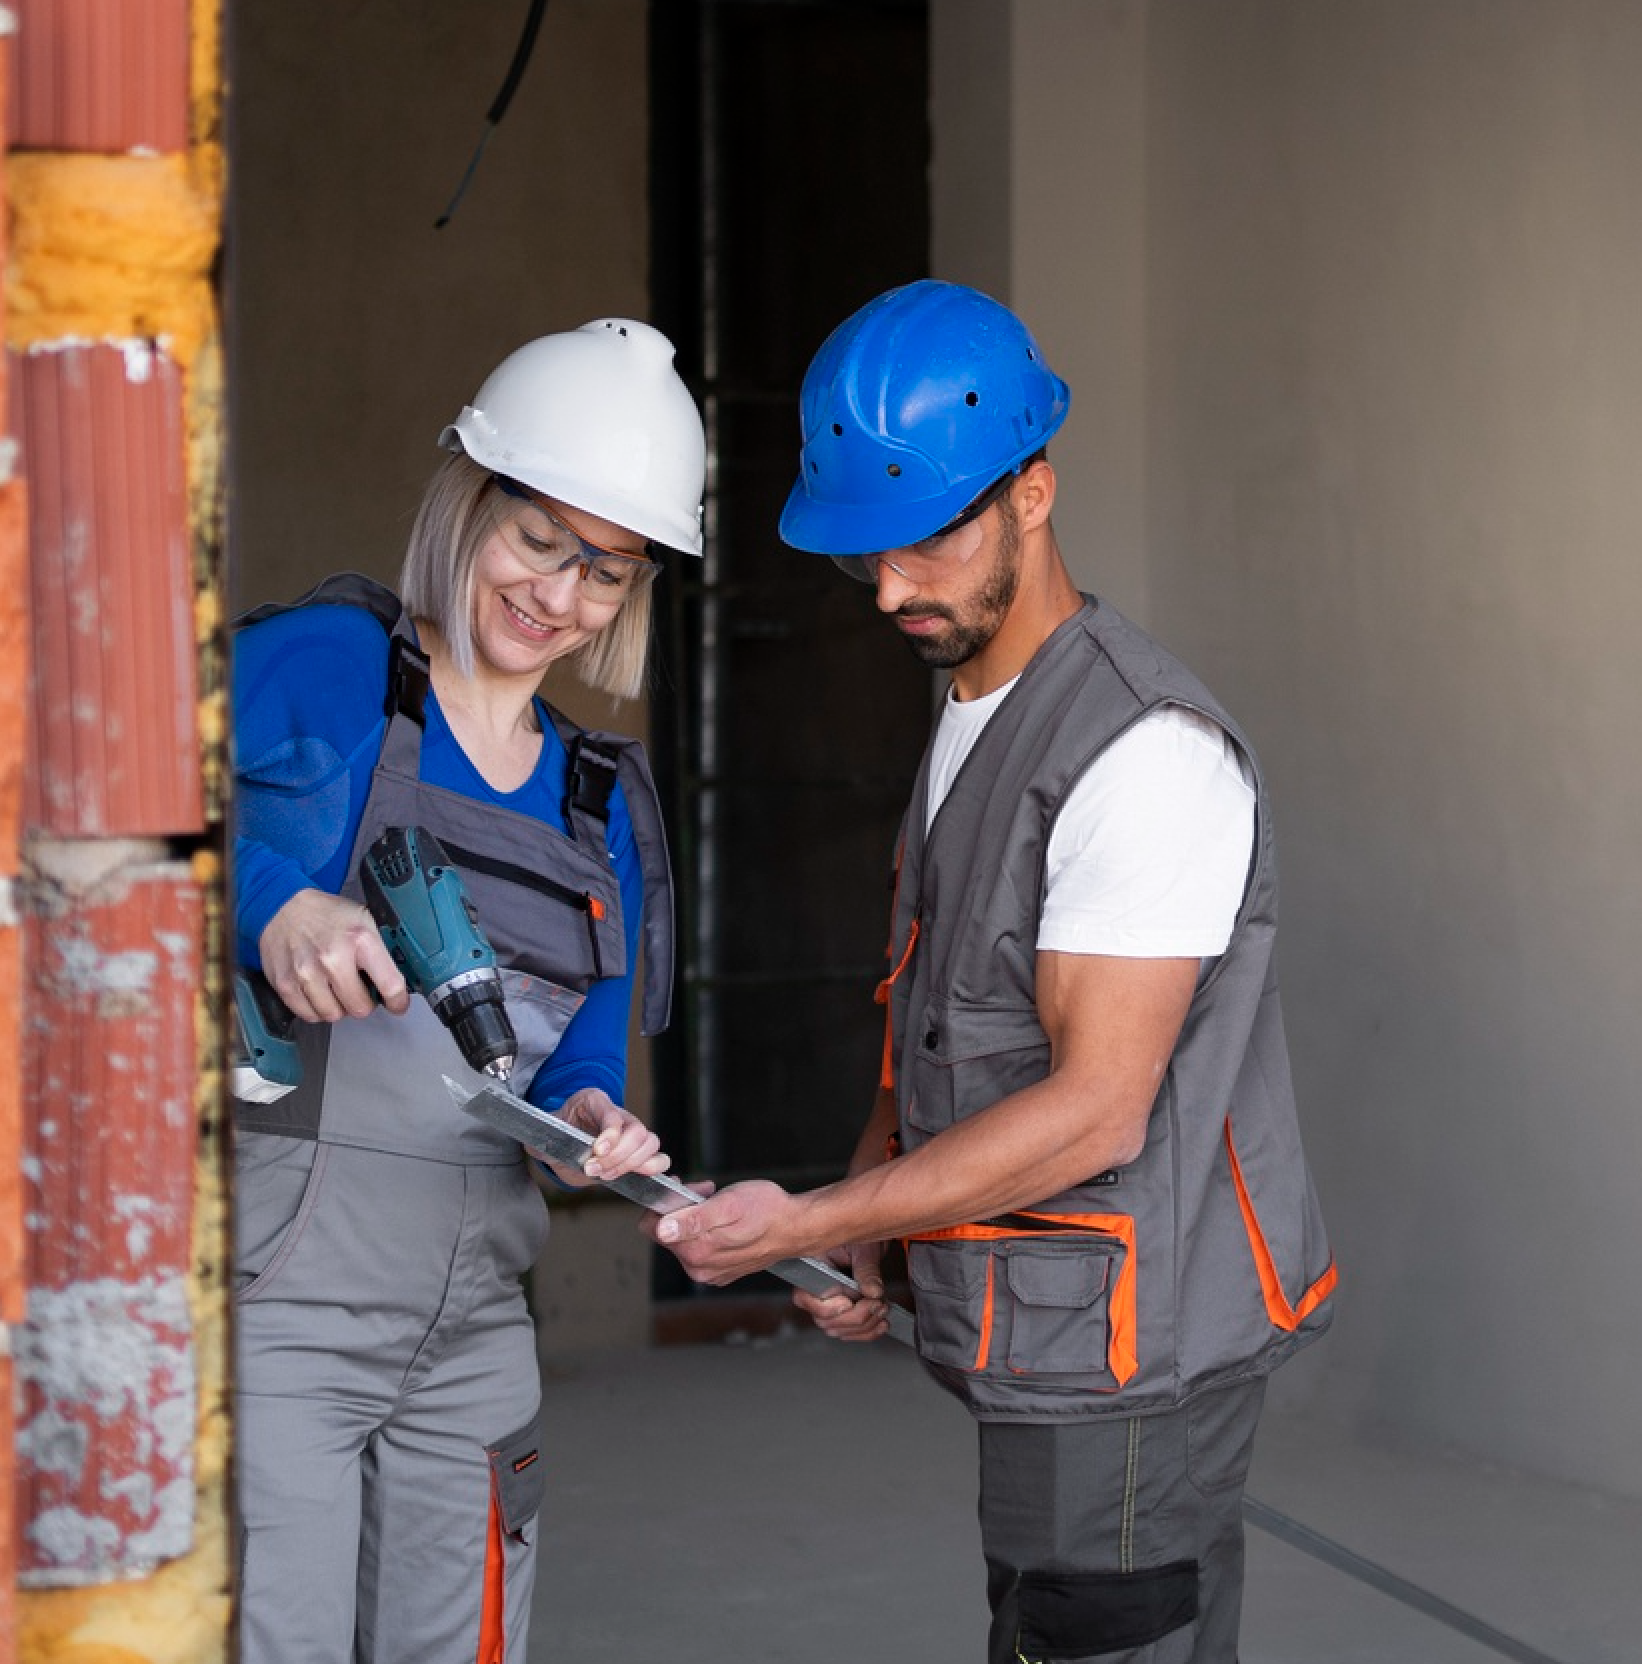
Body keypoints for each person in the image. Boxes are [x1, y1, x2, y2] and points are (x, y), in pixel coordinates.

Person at [653, 279, 1337, 1664]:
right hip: (1051, 1356)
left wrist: (804, 1218)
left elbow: (1095, 1111)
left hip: (1128, 1371)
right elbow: (947, 1018)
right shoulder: (980, 707)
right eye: (866, 557)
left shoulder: (1143, 756)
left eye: (928, 538)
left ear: (1034, 492)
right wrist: (870, 1222)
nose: (893, 587)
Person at [229, 318, 702, 1664]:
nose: (559, 593)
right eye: (539, 538)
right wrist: (272, 903)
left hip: (480, 1327)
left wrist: (601, 1129)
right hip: (286, 1312)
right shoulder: (321, 664)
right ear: (468, 501)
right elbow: (70, 800)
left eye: (606, 571)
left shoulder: (596, 797)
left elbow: (567, 1073)